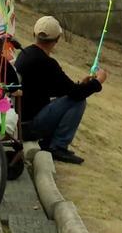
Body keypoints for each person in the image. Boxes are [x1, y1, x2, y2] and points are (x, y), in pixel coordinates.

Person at [15, 15, 105, 164]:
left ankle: (50, 143)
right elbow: (75, 94)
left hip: (20, 121)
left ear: (34, 34)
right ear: (57, 40)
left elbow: (56, 89)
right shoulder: (47, 63)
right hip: (29, 126)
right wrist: (98, 82)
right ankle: (58, 146)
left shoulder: (25, 54)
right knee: (78, 101)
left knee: (70, 98)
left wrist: (80, 84)